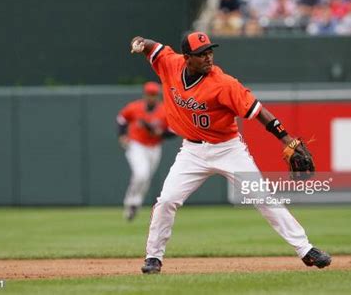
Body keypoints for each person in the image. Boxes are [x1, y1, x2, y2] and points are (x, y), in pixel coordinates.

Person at [130, 31, 331, 274]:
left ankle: (305, 249)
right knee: (167, 201)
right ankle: (153, 257)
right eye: (201, 54)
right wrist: (140, 44)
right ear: (187, 58)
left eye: (210, 52)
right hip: (192, 151)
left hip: (228, 149)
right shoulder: (170, 64)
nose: (208, 57)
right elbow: (153, 47)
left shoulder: (224, 83)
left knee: (262, 197)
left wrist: (285, 138)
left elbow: (259, 112)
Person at [116, 82, 173, 221]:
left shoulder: (164, 110)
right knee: (141, 173)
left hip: (154, 147)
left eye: (154, 95)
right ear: (145, 94)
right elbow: (121, 119)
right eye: (149, 94)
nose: (151, 97)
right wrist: (122, 135)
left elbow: (173, 130)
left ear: (158, 96)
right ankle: (132, 203)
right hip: (137, 145)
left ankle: (134, 204)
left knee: (145, 177)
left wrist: (161, 133)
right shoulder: (135, 107)